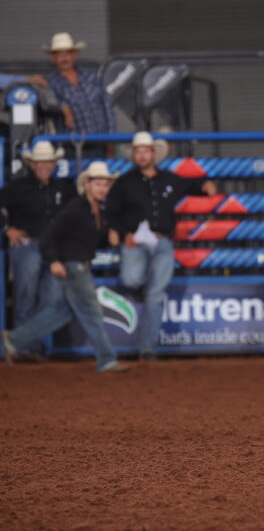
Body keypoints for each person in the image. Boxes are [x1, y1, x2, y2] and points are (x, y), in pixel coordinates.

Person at [2, 161, 129, 372]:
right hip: (74, 265)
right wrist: (53, 260)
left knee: (62, 312)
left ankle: (15, 339)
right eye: (98, 184)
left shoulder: (94, 209)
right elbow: (49, 236)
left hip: (77, 263)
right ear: (87, 185)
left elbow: (86, 239)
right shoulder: (77, 208)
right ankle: (106, 358)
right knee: (91, 311)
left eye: (105, 185)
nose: (102, 189)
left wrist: (109, 237)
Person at [105, 131, 218, 360]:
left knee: (156, 294)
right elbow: (111, 211)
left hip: (163, 241)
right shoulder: (124, 183)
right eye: (138, 151)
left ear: (154, 154)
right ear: (134, 155)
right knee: (130, 279)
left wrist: (205, 184)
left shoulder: (170, 179)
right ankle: (141, 290)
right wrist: (125, 232)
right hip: (135, 240)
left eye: (145, 151)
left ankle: (148, 348)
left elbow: (191, 185)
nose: (142, 155)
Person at [0, 141, 77, 353]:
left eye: (47, 162)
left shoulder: (64, 189)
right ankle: (25, 347)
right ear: (32, 165)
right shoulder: (18, 187)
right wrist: (7, 228)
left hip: (53, 248)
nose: (44, 166)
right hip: (28, 244)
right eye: (39, 163)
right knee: (26, 295)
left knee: (51, 298)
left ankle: (30, 344)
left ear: (53, 164)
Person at [42, 32, 116, 159]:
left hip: (100, 144)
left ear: (74, 55)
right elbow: (46, 104)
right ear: (52, 58)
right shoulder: (49, 83)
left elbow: (107, 108)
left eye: (67, 53)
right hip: (71, 148)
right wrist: (63, 107)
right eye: (59, 54)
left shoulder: (91, 76)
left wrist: (110, 144)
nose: (64, 58)